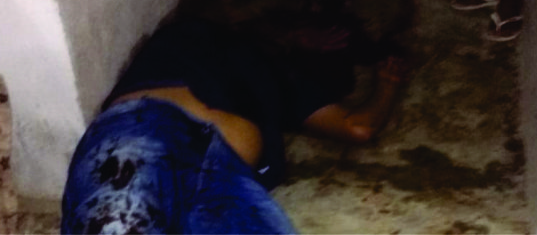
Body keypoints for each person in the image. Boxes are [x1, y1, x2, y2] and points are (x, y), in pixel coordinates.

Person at [61, 13, 407, 234]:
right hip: (147, 132)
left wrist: (388, 85)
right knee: (116, 225)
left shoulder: (287, 81)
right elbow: (244, 22)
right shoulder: (197, 35)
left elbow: (358, 126)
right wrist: (290, 32)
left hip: (223, 180)